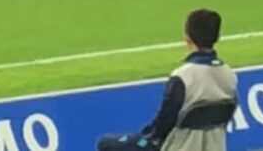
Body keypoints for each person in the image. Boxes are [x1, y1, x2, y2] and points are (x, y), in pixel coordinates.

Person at [98, 9, 237, 151]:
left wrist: (142, 139)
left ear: (187, 37)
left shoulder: (183, 77)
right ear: (217, 37)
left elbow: (161, 127)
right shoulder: (229, 75)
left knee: (105, 143)